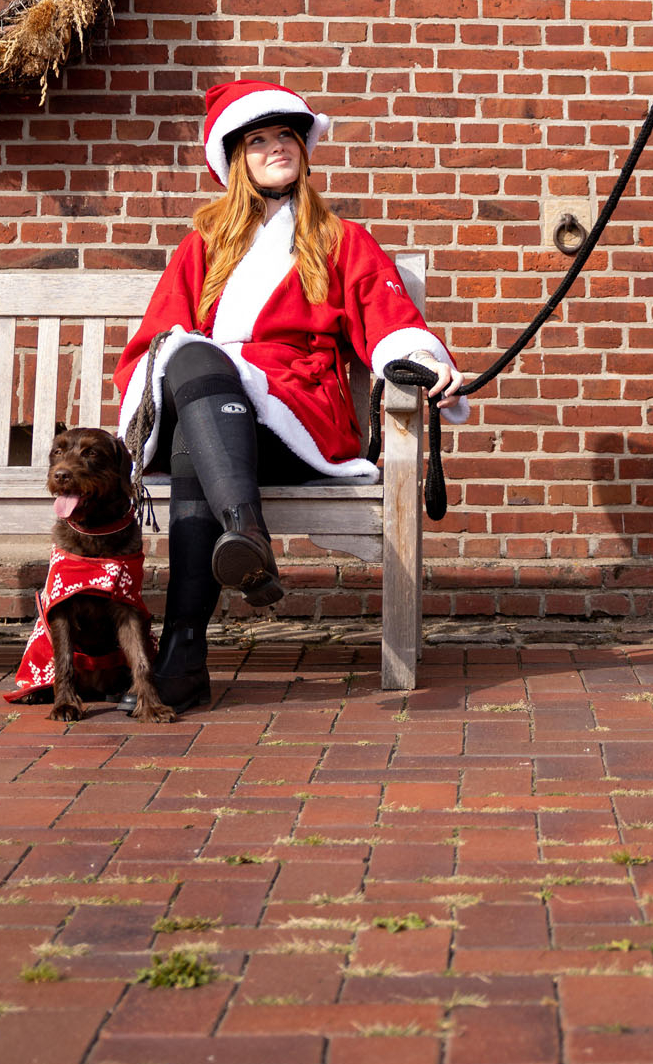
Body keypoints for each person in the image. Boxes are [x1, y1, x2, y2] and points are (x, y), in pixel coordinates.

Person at [115, 79, 467, 712]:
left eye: (287, 136)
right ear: (235, 160)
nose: (277, 147)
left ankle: (184, 654)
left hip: (292, 422)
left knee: (199, 446)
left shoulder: (341, 240)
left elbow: (388, 323)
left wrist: (419, 359)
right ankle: (244, 533)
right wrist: (204, 360)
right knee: (190, 353)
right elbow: (154, 346)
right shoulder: (203, 246)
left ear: (305, 150)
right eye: (259, 139)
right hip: (210, 412)